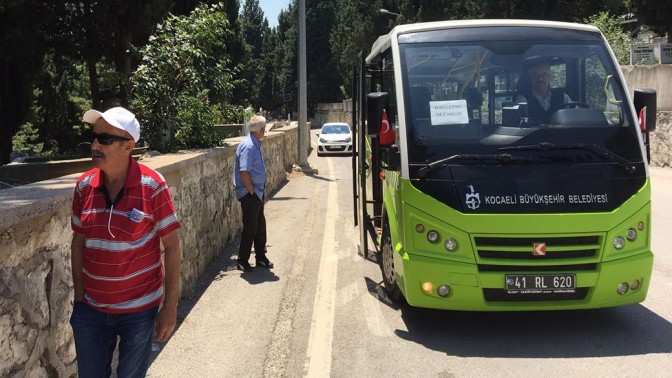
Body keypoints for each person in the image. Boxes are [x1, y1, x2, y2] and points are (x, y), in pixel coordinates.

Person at [70, 107, 182, 377]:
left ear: (128, 146)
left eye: (106, 139)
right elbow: (78, 243)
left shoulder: (153, 186)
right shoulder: (84, 186)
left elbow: (172, 247)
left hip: (138, 311)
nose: (95, 144)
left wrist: (169, 307)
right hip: (91, 310)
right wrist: (79, 297)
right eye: (94, 137)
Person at [233, 115, 273, 272]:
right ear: (261, 130)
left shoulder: (254, 143)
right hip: (251, 194)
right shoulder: (249, 146)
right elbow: (244, 172)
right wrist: (252, 192)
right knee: (250, 228)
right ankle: (242, 260)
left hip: (256, 192)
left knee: (260, 226)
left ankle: (261, 257)